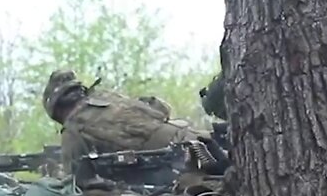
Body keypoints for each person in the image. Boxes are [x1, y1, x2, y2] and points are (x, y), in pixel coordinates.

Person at [41, 69, 206, 181]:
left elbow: (78, 183)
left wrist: (57, 174)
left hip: (181, 162)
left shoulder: (73, 129)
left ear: (57, 110)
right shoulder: (108, 97)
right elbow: (162, 109)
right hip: (195, 137)